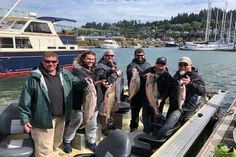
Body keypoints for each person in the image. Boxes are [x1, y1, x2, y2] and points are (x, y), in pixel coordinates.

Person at [18, 51, 88, 157]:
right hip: (42, 120)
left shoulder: (65, 73)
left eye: (53, 61)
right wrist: (25, 120)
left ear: (57, 61)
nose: (51, 64)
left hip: (61, 118)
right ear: (42, 61)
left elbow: (76, 84)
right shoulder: (34, 77)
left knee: (56, 146)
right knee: (44, 151)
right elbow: (25, 101)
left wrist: (85, 82)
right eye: (47, 61)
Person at [63, 51, 106, 153]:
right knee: (75, 122)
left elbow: (99, 77)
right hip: (79, 103)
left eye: (92, 59)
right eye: (88, 59)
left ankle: (92, 142)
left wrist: (109, 72)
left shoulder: (94, 69)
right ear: (83, 59)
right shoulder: (77, 71)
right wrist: (92, 82)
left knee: (92, 124)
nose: (91, 61)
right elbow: (78, 84)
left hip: (94, 102)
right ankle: (67, 141)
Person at [156, 56, 206, 138]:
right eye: (180, 65)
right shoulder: (177, 75)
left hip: (187, 108)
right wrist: (161, 98)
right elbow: (169, 88)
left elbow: (202, 91)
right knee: (168, 125)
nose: (182, 67)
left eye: (185, 65)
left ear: (190, 65)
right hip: (173, 106)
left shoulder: (196, 77)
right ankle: (167, 137)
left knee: (183, 130)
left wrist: (190, 83)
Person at [142, 57, 173, 134]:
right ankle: (146, 131)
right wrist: (144, 77)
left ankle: (155, 132)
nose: (160, 66)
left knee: (156, 117)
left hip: (158, 100)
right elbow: (140, 76)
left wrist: (161, 99)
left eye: (163, 64)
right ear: (155, 64)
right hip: (147, 99)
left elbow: (167, 90)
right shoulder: (149, 70)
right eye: (158, 64)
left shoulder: (167, 76)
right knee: (146, 116)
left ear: (165, 65)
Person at [96, 49, 122, 135]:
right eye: (107, 55)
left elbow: (118, 77)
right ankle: (104, 127)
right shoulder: (99, 65)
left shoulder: (114, 64)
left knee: (113, 109)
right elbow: (100, 76)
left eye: (112, 56)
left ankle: (110, 124)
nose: (109, 57)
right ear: (104, 56)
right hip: (105, 92)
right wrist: (110, 71)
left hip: (114, 92)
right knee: (104, 111)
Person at [126, 48, 151, 132]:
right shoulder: (131, 65)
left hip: (146, 93)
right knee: (135, 113)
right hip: (136, 94)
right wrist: (133, 72)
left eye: (141, 55)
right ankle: (133, 128)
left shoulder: (148, 64)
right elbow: (130, 72)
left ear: (144, 55)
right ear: (135, 55)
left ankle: (147, 128)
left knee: (146, 112)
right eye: (138, 55)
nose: (140, 57)